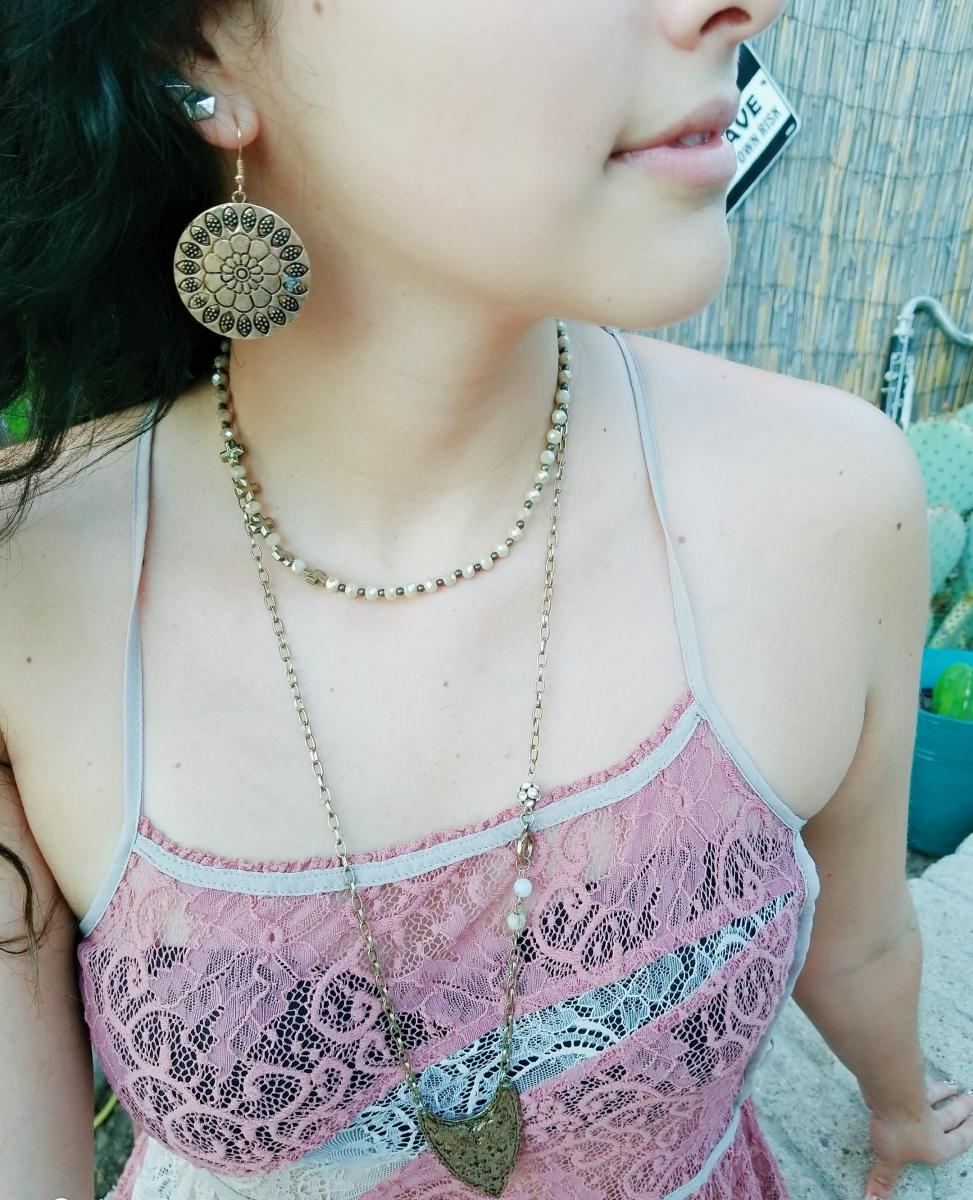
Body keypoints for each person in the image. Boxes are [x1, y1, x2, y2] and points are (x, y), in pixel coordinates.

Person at [0, 2, 970, 1198]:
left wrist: (900, 1111)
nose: (738, 7)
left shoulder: (828, 498)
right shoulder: (25, 585)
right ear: (202, 51)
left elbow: (862, 937)